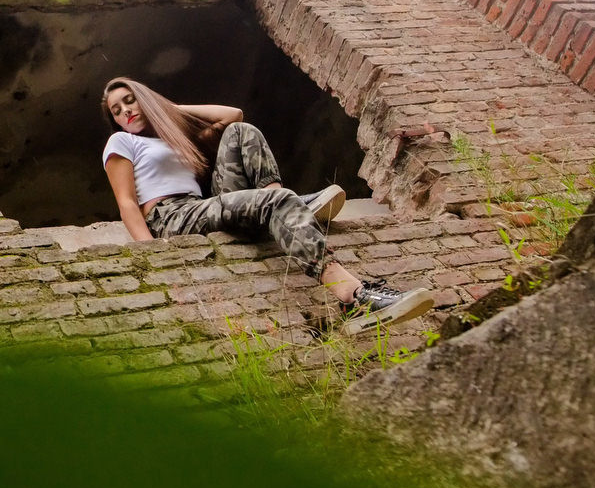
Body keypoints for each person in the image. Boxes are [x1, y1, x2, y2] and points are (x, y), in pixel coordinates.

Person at [100, 76, 434, 334]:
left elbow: (233, 115)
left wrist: (167, 109)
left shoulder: (173, 139)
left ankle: (280, 204)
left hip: (203, 205)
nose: (126, 111)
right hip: (171, 217)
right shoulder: (121, 141)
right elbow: (127, 202)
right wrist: (151, 252)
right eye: (117, 110)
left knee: (241, 131)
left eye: (130, 101)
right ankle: (355, 296)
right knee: (276, 200)